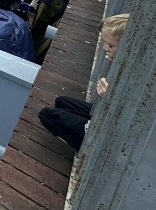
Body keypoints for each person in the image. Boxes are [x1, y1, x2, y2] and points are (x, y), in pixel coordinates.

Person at [39, 13, 128, 150]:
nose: (105, 48)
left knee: (47, 115)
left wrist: (110, 95)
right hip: (107, 116)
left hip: (111, 130)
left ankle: (86, 145)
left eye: (110, 45)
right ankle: (85, 123)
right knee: (61, 101)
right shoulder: (127, 63)